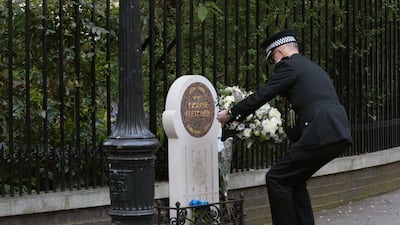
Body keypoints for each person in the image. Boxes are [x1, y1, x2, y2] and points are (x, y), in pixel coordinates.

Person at [216, 29, 353, 225]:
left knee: (276, 178)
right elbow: (315, 107)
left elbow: (262, 95)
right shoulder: (310, 67)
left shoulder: (289, 66)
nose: (274, 65)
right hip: (337, 131)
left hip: (320, 132)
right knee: (295, 181)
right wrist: (287, 134)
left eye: (272, 59)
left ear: (279, 53)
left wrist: (230, 114)